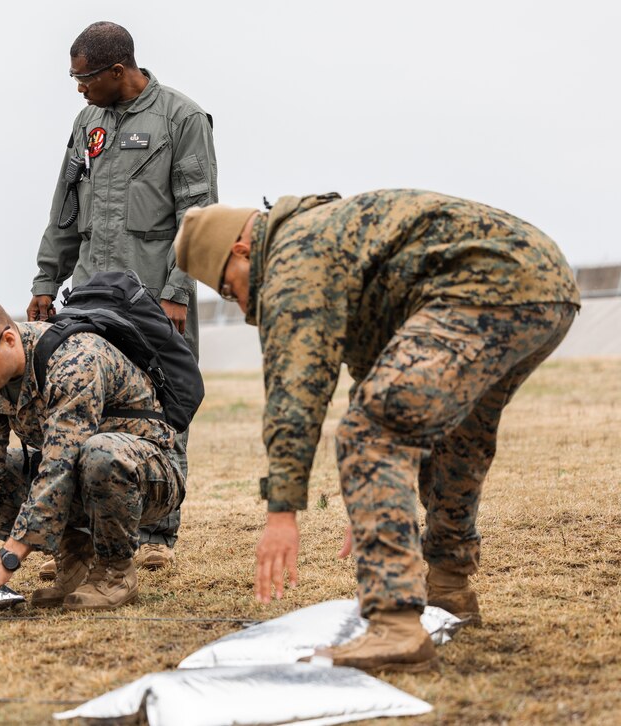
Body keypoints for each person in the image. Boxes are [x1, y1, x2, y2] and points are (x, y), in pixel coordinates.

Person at [173, 190, 580, 671]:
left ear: (241, 250)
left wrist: (282, 514)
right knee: (457, 437)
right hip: (545, 285)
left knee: (368, 433)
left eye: (228, 287)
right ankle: (449, 588)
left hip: (479, 291)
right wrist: (374, 493)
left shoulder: (292, 257)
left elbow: (296, 394)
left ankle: (394, 625)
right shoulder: (328, 235)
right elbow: (382, 378)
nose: (240, 306)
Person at [27, 20, 217, 570]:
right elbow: (64, 208)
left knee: (159, 401)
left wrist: (178, 290)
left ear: (118, 71)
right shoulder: (87, 122)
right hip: (89, 292)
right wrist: (45, 281)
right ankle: (89, 534)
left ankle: (157, 534)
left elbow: (197, 211)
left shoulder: (182, 118)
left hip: (153, 292)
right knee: (86, 396)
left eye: (85, 78)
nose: (78, 87)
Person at [0, 296, 184, 610]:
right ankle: (76, 552)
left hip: (145, 478)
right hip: (80, 478)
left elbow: (59, 466)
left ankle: (116, 570)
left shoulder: (75, 360)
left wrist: (9, 557)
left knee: (99, 454)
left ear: (9, 339)